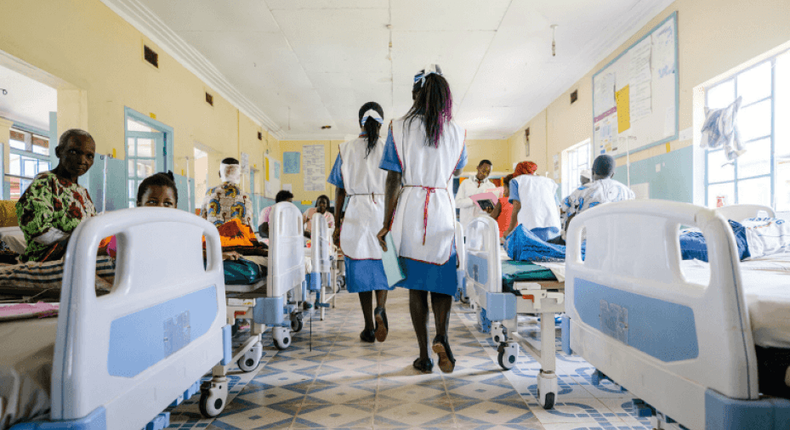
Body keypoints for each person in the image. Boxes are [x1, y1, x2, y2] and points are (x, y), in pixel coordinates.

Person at [376, 64, 466, 374]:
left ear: (417, 93)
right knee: (441, 282)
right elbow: (455, 170)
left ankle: (424, 355)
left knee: (417, 289)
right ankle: (442, 334)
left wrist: (387, 223)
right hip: (441, 207)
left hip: (410, 211)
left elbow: (392, 180)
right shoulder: (457, 132)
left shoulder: (398, 128)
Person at [328, 101, 393, 343]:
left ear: (359, 122)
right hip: (383, 213)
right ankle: (381, 308)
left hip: (356, 212)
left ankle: (368, 327)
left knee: (362, 269)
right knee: (383, 266)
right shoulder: (389, 148)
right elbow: (398, 185)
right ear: (382, 122)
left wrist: (337, 224)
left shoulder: (346, 149)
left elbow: (339, 190)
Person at [16, 129, 97, 262]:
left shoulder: (82, 192)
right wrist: (79, 241)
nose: (82, 160)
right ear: (59, 151)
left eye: (89, 156)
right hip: (46, 260)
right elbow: (38, 230)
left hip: (78, 256)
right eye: (74, 152)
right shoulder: (45, 182)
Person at [560, 155, 634, 239]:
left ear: (592, 172)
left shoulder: (581, 191)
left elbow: (569, 216)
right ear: (612, 174)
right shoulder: (628, 192)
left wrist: (566, 239)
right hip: (617, 241)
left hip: (585, 243)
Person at [502, 161, 561, 241]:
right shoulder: (549, 181)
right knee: (548, 251)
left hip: (531, 226)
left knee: (533, 251)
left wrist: (509, 230)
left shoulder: (516, 181)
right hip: (554, 226)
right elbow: (557, 207)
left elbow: (517, 206)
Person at [200, 157, 253, 227]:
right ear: (239, 176)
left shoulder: (209, 193)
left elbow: (202, 220)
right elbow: (247, 225)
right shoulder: (244, 197)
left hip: (212, 237)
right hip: (235, 237)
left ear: (219, 174)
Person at [455, 159, 495, 229]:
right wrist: (473, 200)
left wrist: (490, 210)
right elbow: (457, 203)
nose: (485, 173)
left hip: (483, 227)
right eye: (483, 170)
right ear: (478, 168)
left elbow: (494, 208)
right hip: (466, 226)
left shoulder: (491, 187)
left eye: (488, 172)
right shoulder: (465, 183)